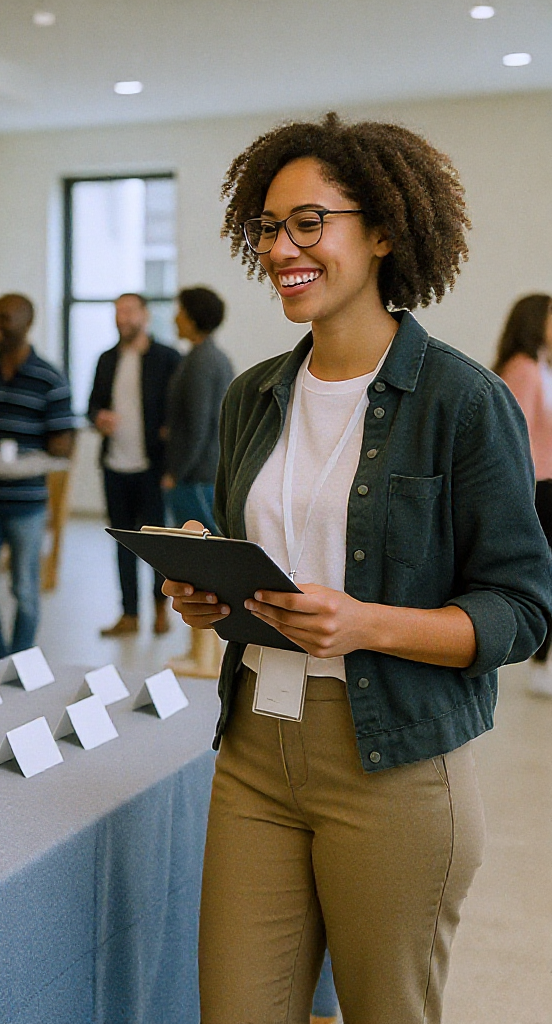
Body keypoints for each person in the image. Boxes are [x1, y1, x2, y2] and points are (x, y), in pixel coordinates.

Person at [164, 113, 551, 1022]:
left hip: (395, 763)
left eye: (310, 223)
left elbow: (522, 611)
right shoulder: (252, 394)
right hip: (255, 748)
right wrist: (207, 585)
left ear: (382, 232)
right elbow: (254, 552)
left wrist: (367, 623)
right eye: (267, 227)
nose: (282, 249)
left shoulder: (464, 401)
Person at [0, 294, 75, 661]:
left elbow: (64, 445)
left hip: (27, 504)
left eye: (5, 319)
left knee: (26, 591)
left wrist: (32, 454)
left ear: (27, 324)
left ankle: (19, 662)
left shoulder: (49, 377)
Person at [88, 292, 181, 637]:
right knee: (123, 543)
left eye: (128, 312)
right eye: (116, 313)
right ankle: (129, 614)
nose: (121, 319)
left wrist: (170, 456)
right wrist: (99, 417)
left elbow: (178, 415)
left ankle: (160, 610)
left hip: (152, 468)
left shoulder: (168, 358)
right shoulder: (105, 359)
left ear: (145, 315)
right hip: (115, 466)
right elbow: (92, 405)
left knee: (158, 545)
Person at [163, 285, 234, 677]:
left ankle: (205, 657)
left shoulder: (202, 361)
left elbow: (197, 426)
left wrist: (176, 471)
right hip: (204, 473)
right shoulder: (208, 357)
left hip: (196, 477)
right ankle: (202, 653)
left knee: (198, 569)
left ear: (192, 316)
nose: (174, 317)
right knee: (198, 567)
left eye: (179, 310)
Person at [494, 293, 552, 697]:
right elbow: (513, 438)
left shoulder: (542, 368)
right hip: (538, 487)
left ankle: (545, 660)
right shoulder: (524, 369)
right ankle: (542, 661)